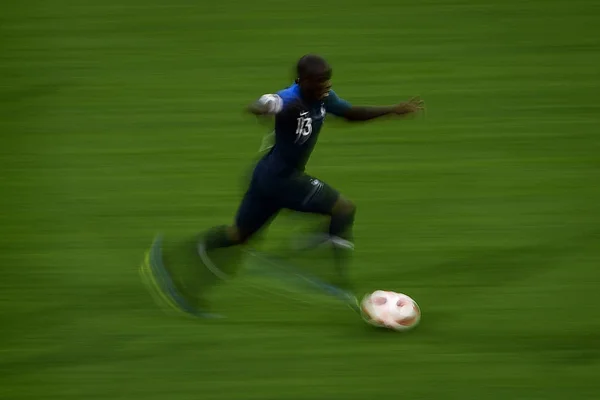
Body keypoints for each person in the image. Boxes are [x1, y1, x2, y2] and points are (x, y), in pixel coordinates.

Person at [197, 54, 425, 310]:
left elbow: (351, 113)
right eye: (318, 83)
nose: (324, 88)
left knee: (238, 236)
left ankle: (201, 247)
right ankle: (335, 277)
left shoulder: (324, 98)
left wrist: (392, 110)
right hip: (284, 181)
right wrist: (263, 109)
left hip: (266, 177)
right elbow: (263, 103)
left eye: (327, 82)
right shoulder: (288, 99)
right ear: (302, 81)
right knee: (343, 209)